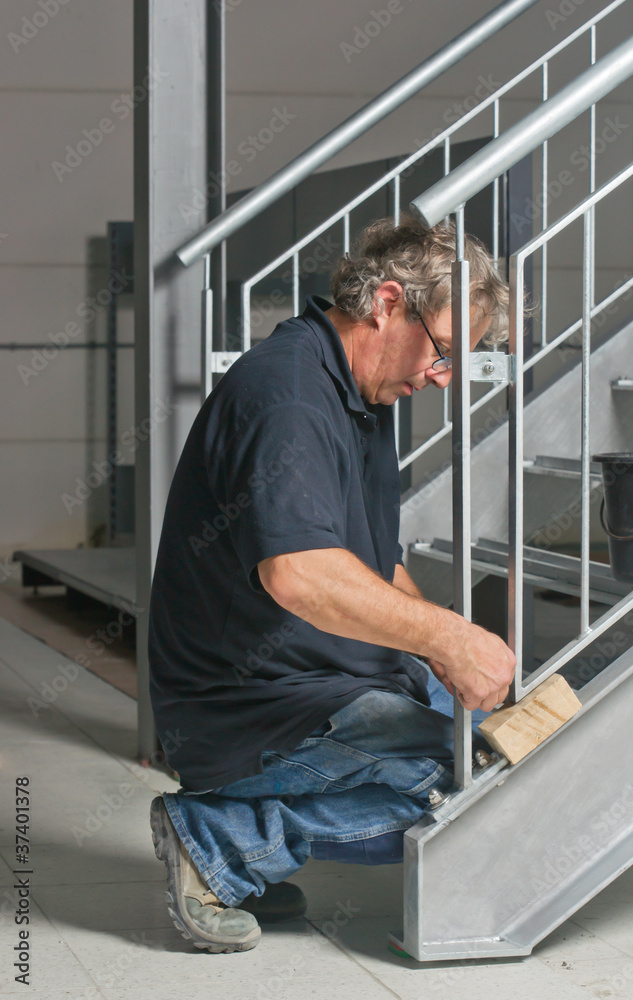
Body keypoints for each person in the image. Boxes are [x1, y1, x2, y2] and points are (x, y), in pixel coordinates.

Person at [148, 216, 516, 954]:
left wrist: (448, 646)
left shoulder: (358, 394)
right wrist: (450, 638)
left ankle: (247, 840)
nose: (439, 377)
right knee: (475, 782)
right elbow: (301, 574)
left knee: (502, 743)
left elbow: (372, 567)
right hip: (249, 703)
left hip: (324, 674)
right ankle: (226, 835)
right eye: (443, 351)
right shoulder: (287, 398)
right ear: (386, 302)